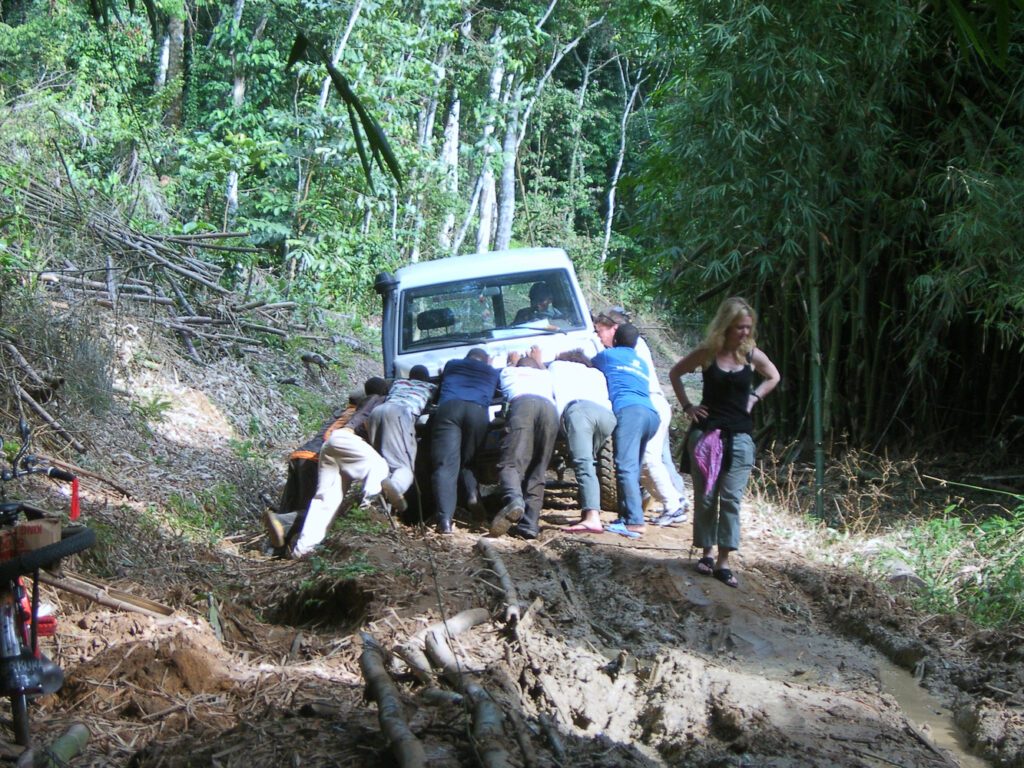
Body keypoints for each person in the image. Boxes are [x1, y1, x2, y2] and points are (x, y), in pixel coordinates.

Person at [668, 297, 780, 588]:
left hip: (740, 437)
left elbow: (773, 376)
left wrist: (755, 397)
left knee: (731, 498)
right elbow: (676, 373)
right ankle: (705, 553)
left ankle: (724, 561)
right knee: (706, 496)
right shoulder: (708, 353)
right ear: (726, 326)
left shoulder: (751, 355)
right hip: (706, 435)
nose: (744, 332)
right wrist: (688, 406)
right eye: (739, 327)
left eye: (748, 327)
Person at [268, 378, 391, 558]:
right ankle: (282, 526)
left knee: (293, 507)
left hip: (299, 456)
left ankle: (273, 552)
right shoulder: (367, 409)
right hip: (314, 460)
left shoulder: (343, 411)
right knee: (315, 510)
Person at [594, 309, 688, 526]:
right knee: (648, 461)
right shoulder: (630, 347)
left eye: (600, 332)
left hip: (647, 402)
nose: (599, 337)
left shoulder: (627, 349)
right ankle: (674, 500)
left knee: (649, 459)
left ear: (614, 330)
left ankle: (674, 504)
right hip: (649, 404)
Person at [593, 323, 660, 536]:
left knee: (624, 467)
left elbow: (587, 364)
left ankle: (634, 521)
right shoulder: (641, 362)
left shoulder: (607, 356)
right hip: (651, 415)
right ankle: (625, 516)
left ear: (615, 338)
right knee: (632, 467)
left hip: (630, 412)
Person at [490, 347, 559, 538]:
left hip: (524, 406)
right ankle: (530, 525)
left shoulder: (509, 372)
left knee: (510, 463)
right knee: (538, 468)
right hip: (550, 411)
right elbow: (542, 368)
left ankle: (514, 500)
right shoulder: (545, 376)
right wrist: (538, 359)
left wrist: (512, 360)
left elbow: (511, 367)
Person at [430, 348, 500, 534]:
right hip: (478, 411)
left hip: (450, 408)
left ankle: (445, 521)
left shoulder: (452, 364)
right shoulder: (492, 371)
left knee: (446, 465)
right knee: (469, 461)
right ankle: (472, 495)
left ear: (466, 357)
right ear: (487, 360)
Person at [549, 349, 616, 533]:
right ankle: (588, 506)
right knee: (592, 461)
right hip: (606, 416)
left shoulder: (556, 366)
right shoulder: (596, 373)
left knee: (583, 463)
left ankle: (592, 517)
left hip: (579, 412)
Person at [366, 365, 437, 514]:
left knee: (380, 461)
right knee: (404, 466)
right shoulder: (430, 386)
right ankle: (395, 489)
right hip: (399, 414)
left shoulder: (397, 383)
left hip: (377, 412)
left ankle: (372, 503)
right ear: (426, 378)